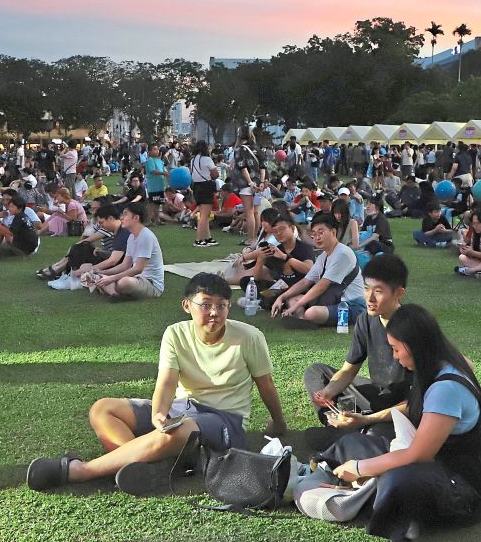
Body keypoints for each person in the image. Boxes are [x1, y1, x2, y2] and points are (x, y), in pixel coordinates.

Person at [26, 272, 286, 495]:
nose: (214, 313)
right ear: (187, 306)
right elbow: (166, 382)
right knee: (103, 409)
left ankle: (81, 471)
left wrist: (279, 422)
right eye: (205, 304)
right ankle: (143, 465)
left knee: (177, 432)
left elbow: (266, 385)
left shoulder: (250, 337)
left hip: (226, 420)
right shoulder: (175, 333)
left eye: (222, 305)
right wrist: (158, 413)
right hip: (182, 408)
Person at [324, 304, 481, 542]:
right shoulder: (436, 362)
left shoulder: (447, 388)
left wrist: (360, 468)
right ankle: (331, 474)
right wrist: (367, 420)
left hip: (462, 484)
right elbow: (416, 405)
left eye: (396, 349)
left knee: (398, 480)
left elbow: (417, 455)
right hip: (429, 459)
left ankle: (389, 505)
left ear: (414, 346)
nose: (394, 356)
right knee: (352, 444)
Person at [305, 254, 412, 430]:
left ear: (399, 293)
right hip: (377, 392)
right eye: (366, 288)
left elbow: (419, 401)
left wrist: (371, 420)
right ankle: (335, 422)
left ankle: (358, 427)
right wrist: (328, 392)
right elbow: (348, 370)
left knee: (378, 433)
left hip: (400, 407)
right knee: (317, 372)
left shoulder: (413, 326)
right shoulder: (366, 320)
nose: (369, 298)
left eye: (378, 291)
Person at [271, 212, 367, 328]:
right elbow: (306, 281)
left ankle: (303, 316)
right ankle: (302, 318)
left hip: (352, 306)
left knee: (312, 312)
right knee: (292, 298)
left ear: (333, 232)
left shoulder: (343, 254)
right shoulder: (323, 256)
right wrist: (281, 298)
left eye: (321, 233)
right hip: (332, 300)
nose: (317, 237)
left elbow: (322, 285)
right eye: (314, 234)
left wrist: (295, 307)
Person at [90, 202, 164, 299]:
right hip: (136, 279)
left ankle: (112, 290)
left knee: (124, 282)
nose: (121, 218)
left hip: (151, 283)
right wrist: (104, 272)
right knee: (101, 277)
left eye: (125, 214)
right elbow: (124, 265)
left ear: (136, 218)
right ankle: (114, 294)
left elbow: (138, 269)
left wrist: (111, 278)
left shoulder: (146, 236)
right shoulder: (131, 237)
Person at [238, 211, 315, 302]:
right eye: (275, 231)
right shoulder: (275, 250)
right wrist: (260, 259)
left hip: (301, 286)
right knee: (246, 281)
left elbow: (309, 270)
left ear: (292, 229)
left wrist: (285, 257)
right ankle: (268, 300)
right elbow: (257, 278)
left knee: (269, 297)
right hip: (282, 285)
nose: (278, 233)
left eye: (282, 229)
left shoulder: (304, 247)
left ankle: (267, 301)